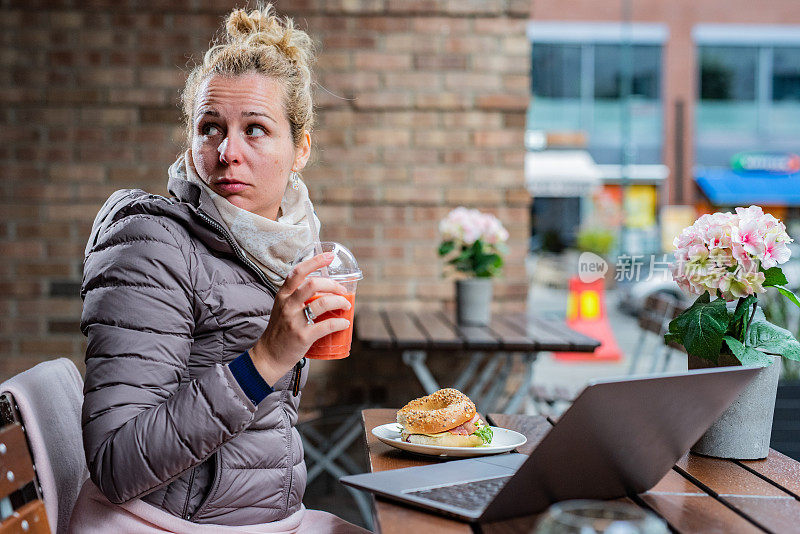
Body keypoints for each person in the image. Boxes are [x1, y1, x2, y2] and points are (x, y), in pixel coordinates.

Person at [68, 4, 369, 533]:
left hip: (268, 520)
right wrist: (265, 360)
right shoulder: (151, 244)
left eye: (255, 129)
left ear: (300, 149)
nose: (228, 152)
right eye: (210, 129)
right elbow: (117, 464)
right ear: (191, 140)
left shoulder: (277, 245)